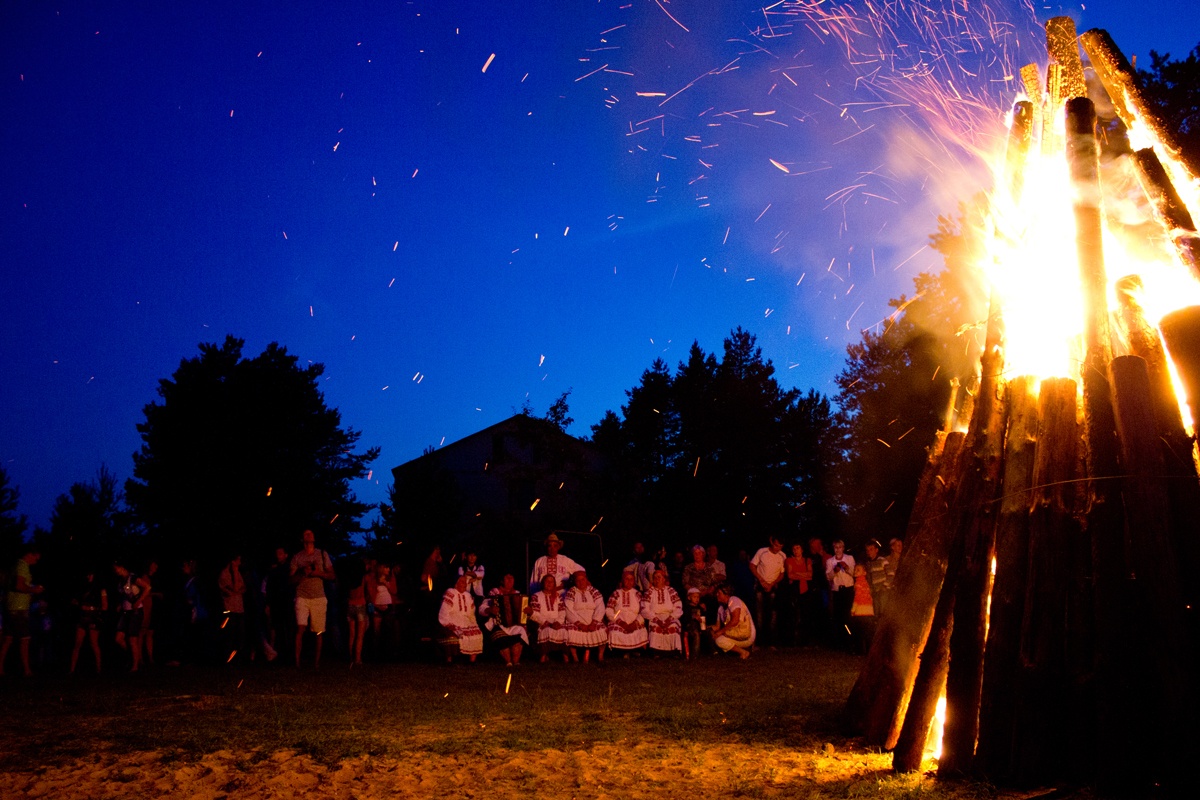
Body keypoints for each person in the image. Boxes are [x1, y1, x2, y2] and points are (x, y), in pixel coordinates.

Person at [290, 529, 335, 668]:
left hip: (319, 597)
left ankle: (316, 664)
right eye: (305, 533)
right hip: (302, 596)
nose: (308, 534)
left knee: (318, 631)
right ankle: (297, 663)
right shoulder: (297, 557)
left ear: (314, 538)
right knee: (300, 628)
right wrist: (303, 572)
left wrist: (317, 573)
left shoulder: (322, 554)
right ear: (302, 539)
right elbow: (291, 580)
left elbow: (332, 575)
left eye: (310, 533)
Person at [0, 547, 43, 677]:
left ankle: (1, 668)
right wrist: (34, 590)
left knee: (7, 639)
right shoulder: (22, 566)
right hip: (19, 608)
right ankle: (27, 670)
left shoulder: (16, 565)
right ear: (30, 554)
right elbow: (19, 585)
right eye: (36, 558)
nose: (37, 561)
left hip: (11, 606)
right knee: (25, 639)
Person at [113, 559, 151, 672]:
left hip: (135, 612)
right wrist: (120, 604)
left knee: (132, 639)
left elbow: (148, 587)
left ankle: (135, 665)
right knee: (118, 638)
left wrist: (139, 601)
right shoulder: (121, 581)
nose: (115, 571)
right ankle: (132, 657)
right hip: (126, 611)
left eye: (116, 568)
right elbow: (125, 594)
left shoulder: (132, 578)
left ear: (122, 567)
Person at [437, 573, 484, 662]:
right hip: (453, 619)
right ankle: (449, 660)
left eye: (465, 582)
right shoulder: (451, 592)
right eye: (462, 581)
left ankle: (472, 662)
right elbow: (444, 611)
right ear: (456, 583)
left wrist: (473, 622)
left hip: (465, 621)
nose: (465, 584)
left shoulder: (468, 595)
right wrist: (447, 623)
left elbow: (471, 612)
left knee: (477, 633)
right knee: (458, 633)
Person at [483, 573, 528, 667]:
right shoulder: (494, 592)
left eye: (512, 578)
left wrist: (527, 611)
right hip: (498, 624)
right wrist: (490, 610)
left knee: (519, 634)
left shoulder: (517, 593)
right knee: (503, 643)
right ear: (502, 581)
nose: (510, 580)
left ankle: (515, 662)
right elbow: (482, 608)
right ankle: (508, 662)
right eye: (507, 578)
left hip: (515, 624)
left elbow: (523, 611)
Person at [750, 536, 786, 648]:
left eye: (780, 546)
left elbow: (782, 573)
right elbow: (752, 565)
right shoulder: (762, 552)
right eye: (776, 545)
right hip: (760, 586)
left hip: (772, 587)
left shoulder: (782, 555)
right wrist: (761, 580)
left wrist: (772, 583)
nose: (777, 548)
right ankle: (757, 642)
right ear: (771, 541)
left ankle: (771, 642)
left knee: (773, 616)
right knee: (759, 615)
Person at [68, 570, 107, 675]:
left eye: (90, 574)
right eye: (87, 574)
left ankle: (99, 668)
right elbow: (73, 601)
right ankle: (72, 669)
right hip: (82, 618)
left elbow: (105, 606)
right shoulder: (81, 587)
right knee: (77, 643)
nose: (88, 576)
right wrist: (80, 605)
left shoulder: (100, 589)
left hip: (94, 618)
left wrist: (91, 608)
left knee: (93, 642)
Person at [564, 570, 607, 662]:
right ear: (575, 582)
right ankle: (575, 658)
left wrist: (594, 622)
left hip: (592, 619)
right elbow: (568, 609)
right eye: (578, 580)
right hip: (577, 620)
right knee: (571, 632)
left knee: (602, 630)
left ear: (586, 580)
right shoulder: (571, 592)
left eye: (583, 580)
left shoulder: (594, 591)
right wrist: (579, 624)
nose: (581, 582)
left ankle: (600, 656)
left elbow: (600, 607)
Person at [642, 569, 683, 655]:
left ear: (664, 579)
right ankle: (657, 652)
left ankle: (674, 651)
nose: (657, 580)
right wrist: (656, 619)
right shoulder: (649, 592)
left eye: (659, 577)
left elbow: (678, 606)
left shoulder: (671, 591)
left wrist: (670, 619)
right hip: (655, 616)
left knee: (673, 626)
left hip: (670, 615)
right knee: (655, 626)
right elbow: (645, 608)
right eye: (655, 578)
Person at [529, 575, 569, 663]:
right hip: (542, 622)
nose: (549, 583)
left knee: (563, 631)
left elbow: (562, 611)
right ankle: (543, 657)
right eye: (547, 581)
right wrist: (546, 623)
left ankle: (566, 657)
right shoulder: (536, 596)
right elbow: (535, 613)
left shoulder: (558, 596)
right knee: (546, 631)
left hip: (556, 622)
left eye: (551, 582)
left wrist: (558, 622)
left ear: (554, 584)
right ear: (543, 583)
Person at [605, 570, 647, 654]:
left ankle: (635, 650)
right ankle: (620, 652)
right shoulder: (616, 593)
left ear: (634, 581)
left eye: (631, 579)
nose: (629, 581)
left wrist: (635, 623)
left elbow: (643, 611)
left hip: (634, 620)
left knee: (640, 631)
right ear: (622, 580)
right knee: (615, 632)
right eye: (626, 579)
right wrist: (620, 622)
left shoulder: (637, 594)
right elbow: (609, 610)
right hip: (619, 620)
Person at [711, 583, 755, 659]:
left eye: (719, 593)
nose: (717, 595)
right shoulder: (720, 608)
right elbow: (717, 626)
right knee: (718, 640)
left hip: (745, 634)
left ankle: (744, 650)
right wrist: (709, 629)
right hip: (734, 634)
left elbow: (735, 621)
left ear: (726, 594)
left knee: (720, 638)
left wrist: (720, 632)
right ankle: (743, 651)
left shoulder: (734, 600)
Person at [826, 539, 856, 650]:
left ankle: (850, 641)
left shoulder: (849, 558)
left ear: (843, 548)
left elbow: (854, 573)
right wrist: (835, 570)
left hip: (848, 590)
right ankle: (840, 642)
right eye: (835, 547)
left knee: (848, 615)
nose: (838, 550)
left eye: (840, 547)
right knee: (838, 617)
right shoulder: (830, 561)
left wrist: (846, 567)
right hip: (837, 591)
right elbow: (828, 577)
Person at [218, 554, 247, 663]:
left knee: (240, 635)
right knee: (230, 635)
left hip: (239, 608)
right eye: (237, 561)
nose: (239, 563)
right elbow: (234, 589)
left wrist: (238, 589)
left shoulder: (238, 573)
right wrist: (234, 572)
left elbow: (243, 588)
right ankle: (228, 659)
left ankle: (239, 658)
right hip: (230, 609)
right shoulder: (225, 574)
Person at [783, 543, 813, 646]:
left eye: (798, 548)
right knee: (793, 614)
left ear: (802, 549)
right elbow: (790, 575)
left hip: (805, 589)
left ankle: (805, 640)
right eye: (794, 548)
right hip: (794, 589)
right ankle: (792, 640)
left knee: (805, 615)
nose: (796, 550)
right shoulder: (789, 560)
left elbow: (810, 575)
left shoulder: (807, 560)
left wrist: (797, 574)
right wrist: (803, 574)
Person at [366, 561, 399, 655]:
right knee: (376, 631)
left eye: (389, 567)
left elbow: (394, 591)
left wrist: (385, 582)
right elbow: (370, 596)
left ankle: (390, 653)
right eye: (386, 567)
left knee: (389, 630)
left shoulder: (391, 578)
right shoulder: (373, 579)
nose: (388, 569)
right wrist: (372, 609)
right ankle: (375, 653)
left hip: (388, 607)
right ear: (381, 568)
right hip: (377, 607)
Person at [343, 557, 368, 666]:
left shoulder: (349, 578)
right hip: (360, 605)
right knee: (359, 635)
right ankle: (358, 659)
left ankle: (351, 658)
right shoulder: (362, 578)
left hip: (350, 605)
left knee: (352, 634)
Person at [850, 562, 876, 654]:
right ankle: (869, 651)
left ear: (864, 572)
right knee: (867, 632)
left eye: (858, 570)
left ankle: (859, 650)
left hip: (861, 611)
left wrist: (853, 609)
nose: (855, 571)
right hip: (869, 611)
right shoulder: (866, 583)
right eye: (855, 569)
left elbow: (858, 597)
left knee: (859, 631)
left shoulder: (858, 583)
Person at [863, 539, 891, 619]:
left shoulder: (882, 560)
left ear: (876, 550)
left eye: (871, 549)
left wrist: (885, 586)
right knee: (876, 613)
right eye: (867, 550)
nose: (869, 552)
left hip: (883, 591)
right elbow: (868, 578)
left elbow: (891, 574)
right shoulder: (868, 564)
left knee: (884, 612)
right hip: (875, 592)